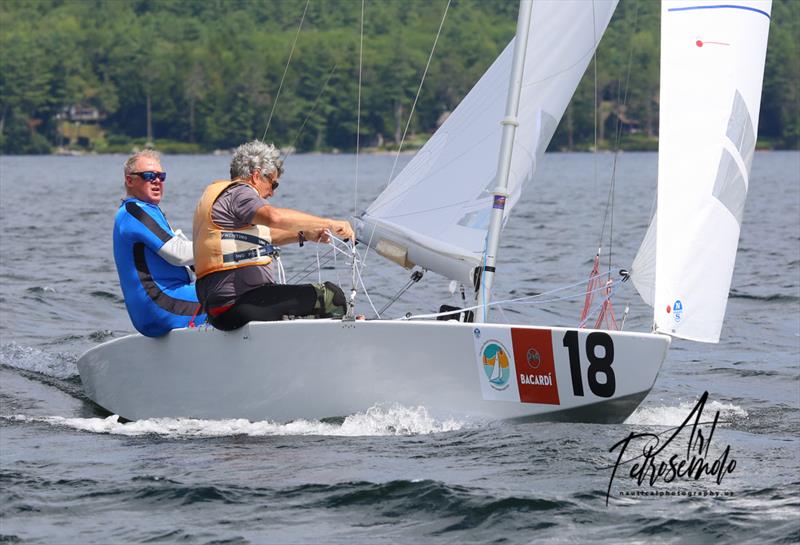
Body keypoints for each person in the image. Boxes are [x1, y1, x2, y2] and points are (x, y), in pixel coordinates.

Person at [193, 140, 354, 330]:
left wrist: (304, 234)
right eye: (273, 184)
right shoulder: (241, 193)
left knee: (294, 299)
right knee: (331, 296)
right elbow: (274, 217)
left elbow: (267, 234)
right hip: (238, 303)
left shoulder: (222, 196)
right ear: (256, 176)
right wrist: (330, 223)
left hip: (221, 309)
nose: (271, 193)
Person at [113, 150, 206, 337]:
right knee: (235, 295)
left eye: (161, 176)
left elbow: (190, 260)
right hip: (160, 305)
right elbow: (179, 254)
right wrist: (225, 243)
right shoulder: (134, 212)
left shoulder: (148, 210)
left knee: (231, 285)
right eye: (149, 176)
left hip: (166, 302)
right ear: (129, 181)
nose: (157, 181)